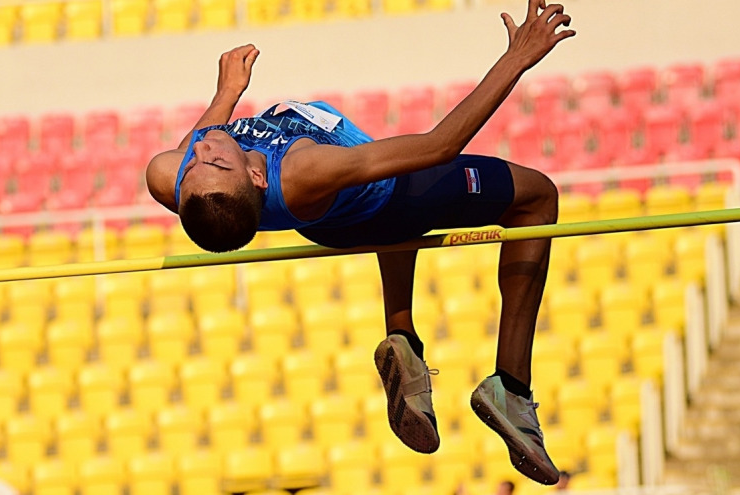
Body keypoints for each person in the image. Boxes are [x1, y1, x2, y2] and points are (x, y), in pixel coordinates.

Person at [146, 0, 575, 485]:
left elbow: (191, 151)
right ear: (255, 175)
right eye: (214, 162)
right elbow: (439, 145)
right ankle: (512, 386)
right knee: (536, 196)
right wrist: (518, 56)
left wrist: (225, 93)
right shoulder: (303, 170)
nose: (202, 147)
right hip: (396, 201)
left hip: (337, 221)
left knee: (385, 222)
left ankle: (404, 340)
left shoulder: (173, 176)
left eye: (196, 163)